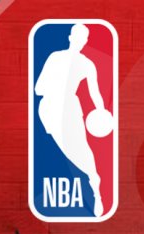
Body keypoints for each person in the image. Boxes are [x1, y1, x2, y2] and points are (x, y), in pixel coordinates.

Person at [35, 23, 107, 217]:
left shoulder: (86, 64)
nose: (80, 41)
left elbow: (95, 93)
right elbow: (38, 88)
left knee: (80, 148)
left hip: (69, 109)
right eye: (78, 37)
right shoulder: (55, 58)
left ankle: (95, 185)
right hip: (50, 109)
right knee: (69, 150)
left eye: (83, 38)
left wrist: (101, 111)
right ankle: (92, 179)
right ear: (71, 37)